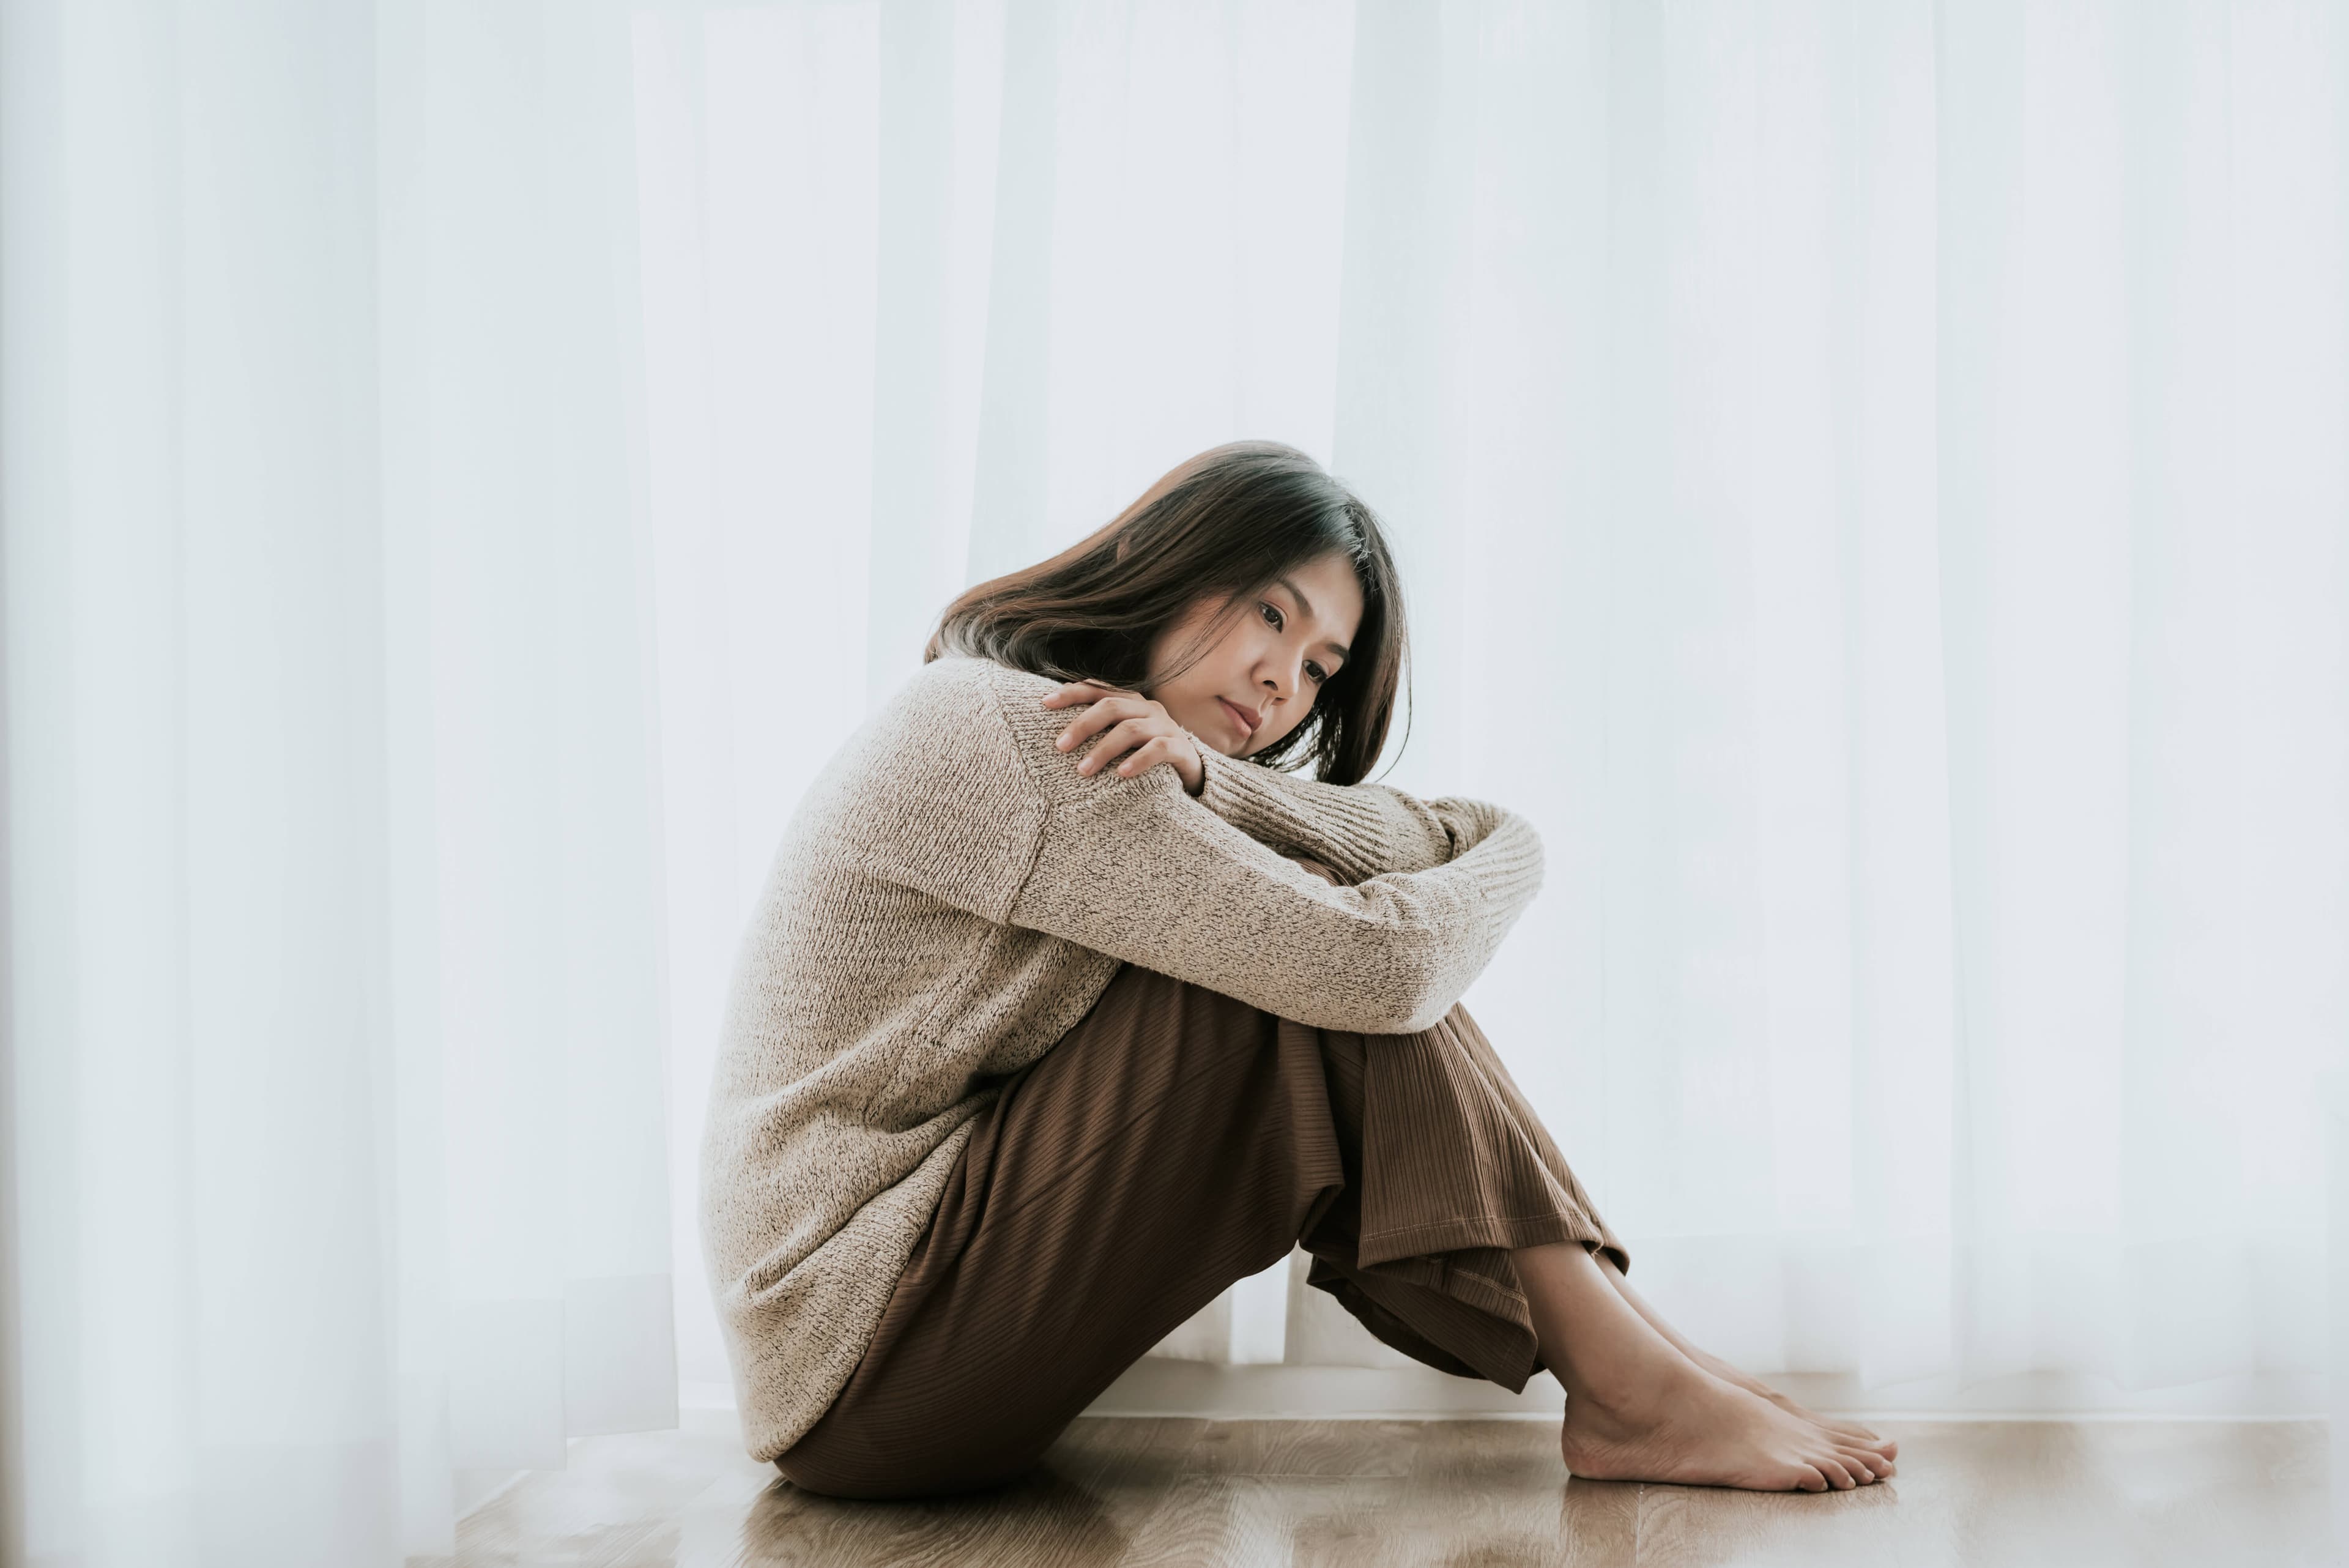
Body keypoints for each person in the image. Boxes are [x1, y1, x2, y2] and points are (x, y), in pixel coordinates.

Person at [699, 440, 1898, 1501]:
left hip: (890, 1349)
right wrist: (1514, 850)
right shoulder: (1039, 735)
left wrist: (1226, 785)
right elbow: (1385, 968)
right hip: (862, 1358)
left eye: (1323, 665)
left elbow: (1393, 889)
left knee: (1303, 943)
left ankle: (1645, 1363)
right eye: (1271, 615)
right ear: (1168, 565)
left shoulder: (1095, 743)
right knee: (1310, 969)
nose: (1286, 682)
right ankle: (1633, 1381)